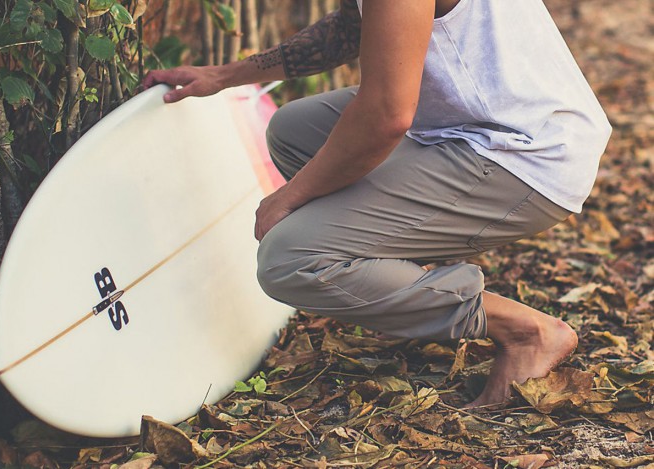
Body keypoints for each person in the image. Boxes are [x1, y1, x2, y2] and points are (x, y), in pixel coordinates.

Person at [143, 0, 611, 407]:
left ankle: (524, 329)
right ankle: (386, 276)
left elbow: (386, 116)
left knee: (291, 259)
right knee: (295, 131)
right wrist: (225, 76)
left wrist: (288, 198)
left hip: (527, 157)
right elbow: (352, 28)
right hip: (483, 120)